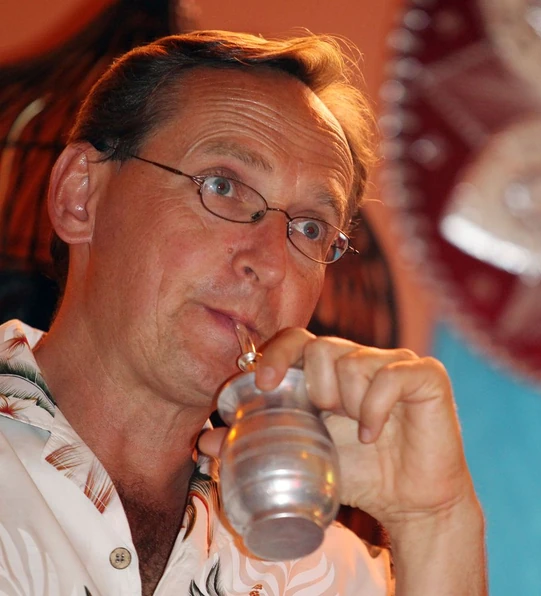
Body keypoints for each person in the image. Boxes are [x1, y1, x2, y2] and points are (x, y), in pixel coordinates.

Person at [0, 30, 487, 595]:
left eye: (310, 229)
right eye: (223, 186)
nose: (272, 263)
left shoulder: (330, 576)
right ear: (80, 195)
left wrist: (433, 519)